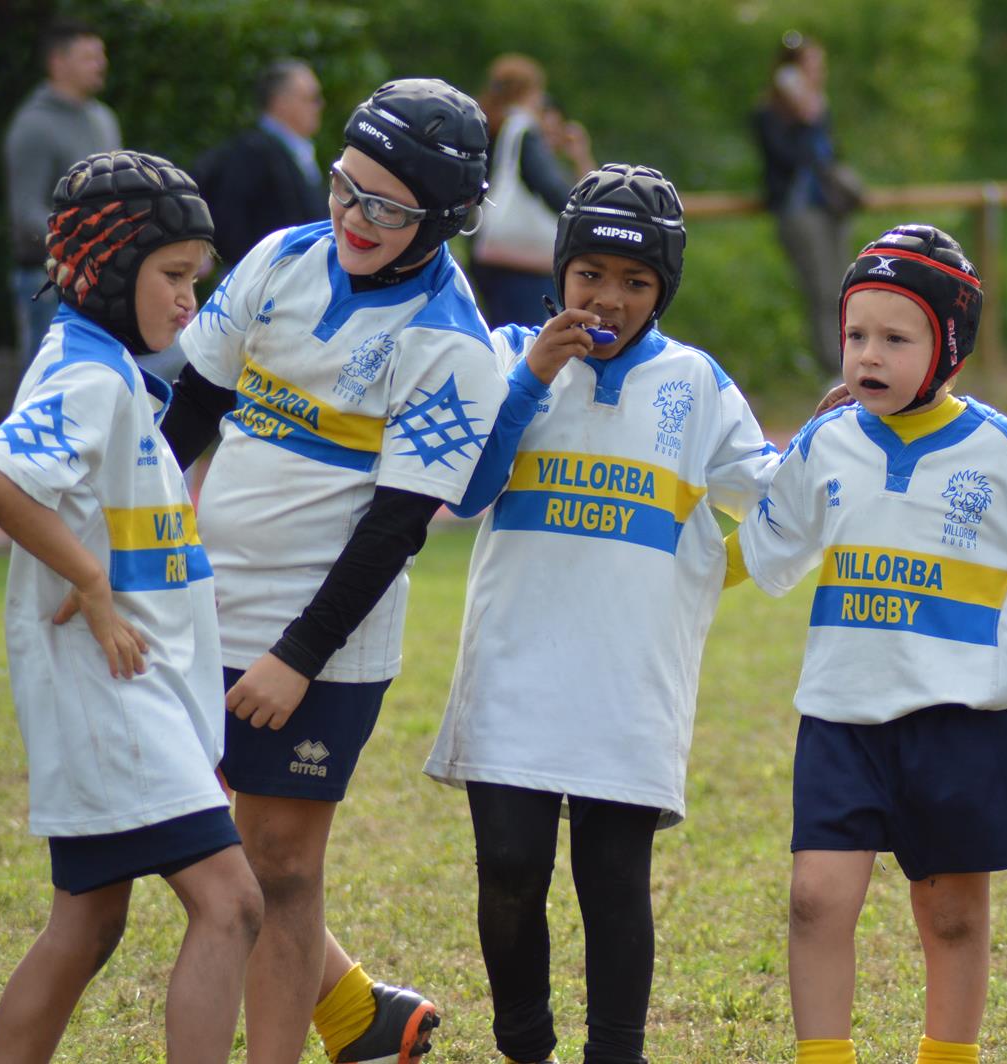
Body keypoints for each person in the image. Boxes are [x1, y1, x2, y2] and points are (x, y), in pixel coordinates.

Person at [161, 78, 505, 1063]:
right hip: (203, 604)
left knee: (279, 864)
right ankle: (361, 1012)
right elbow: (189, 416)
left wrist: (297, 657)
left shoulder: (450, 343)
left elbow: (394, 530)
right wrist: (126, 554)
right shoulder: (279, 256)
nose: (353, 217)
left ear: (441, 219)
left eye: (385, 208)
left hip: (321, 644)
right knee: (185, 837)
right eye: (344, 186)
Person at [731, 224, 1007, 1064]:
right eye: (855, 334)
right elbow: (762, 548)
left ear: (950, 348)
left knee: (950, 917)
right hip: (840, 720)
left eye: (896, 339)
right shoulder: (827, 441)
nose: (868, 354)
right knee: (814, 899)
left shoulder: (1006, 452)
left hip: (961, 725)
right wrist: (663, 574)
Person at [426, 163, 779, 1064]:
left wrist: (708, 572)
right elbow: (465, 493)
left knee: (613, 879)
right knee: (510, 870)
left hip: (629, 680)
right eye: (590, 275)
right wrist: (531, 380)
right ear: (560, 272)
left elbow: (779, 503)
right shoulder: (508, 354)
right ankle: (525, 1044)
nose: (608, 300)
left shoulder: (697, 383)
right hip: (513, 668)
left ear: (664, 291)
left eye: (635, 282)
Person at [0, 150, 261, 1063]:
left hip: (133, 690)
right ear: (108, 269)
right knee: (232, 902)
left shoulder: (109, 368)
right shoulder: (88, 377)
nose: (188, 301)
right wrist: (92, 588)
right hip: (112, 694)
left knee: (88, 925)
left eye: (195, 279)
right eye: (172, 276)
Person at [3, 18, 121, 366]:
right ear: (58, 63)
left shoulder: (103, 118)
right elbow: (25, 211)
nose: (101, 65)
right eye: (89, 57)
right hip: (47, 281)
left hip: (100, 276)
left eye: (101, 56)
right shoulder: (34, 126)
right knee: (47, 376)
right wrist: (83, 241)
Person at [754, 31, 856, 378]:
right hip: (799, 210)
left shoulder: (819, 107)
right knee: (822, 289)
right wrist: (801, 118)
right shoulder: (770, 113)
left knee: (844, 287)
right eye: (810, 66)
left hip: (830, 207)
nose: (817, 73)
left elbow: (830, 155)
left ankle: (853, 361)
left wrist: (815, 116)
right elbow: (784, 159)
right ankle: (834, 368)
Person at [471, 54, 589, 329]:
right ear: (531, 91)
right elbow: (550, 188)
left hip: (489, 250)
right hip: (520, 263)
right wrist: (584, 215)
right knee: (526, 338)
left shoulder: (489, 126)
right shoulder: (522, 128)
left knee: (499, 333)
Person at [194, 57, 328, 268]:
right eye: (311, 98)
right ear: (281, 102)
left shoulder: (296, 152)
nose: (319, 105)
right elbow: (232, 223)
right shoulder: (254, 152)